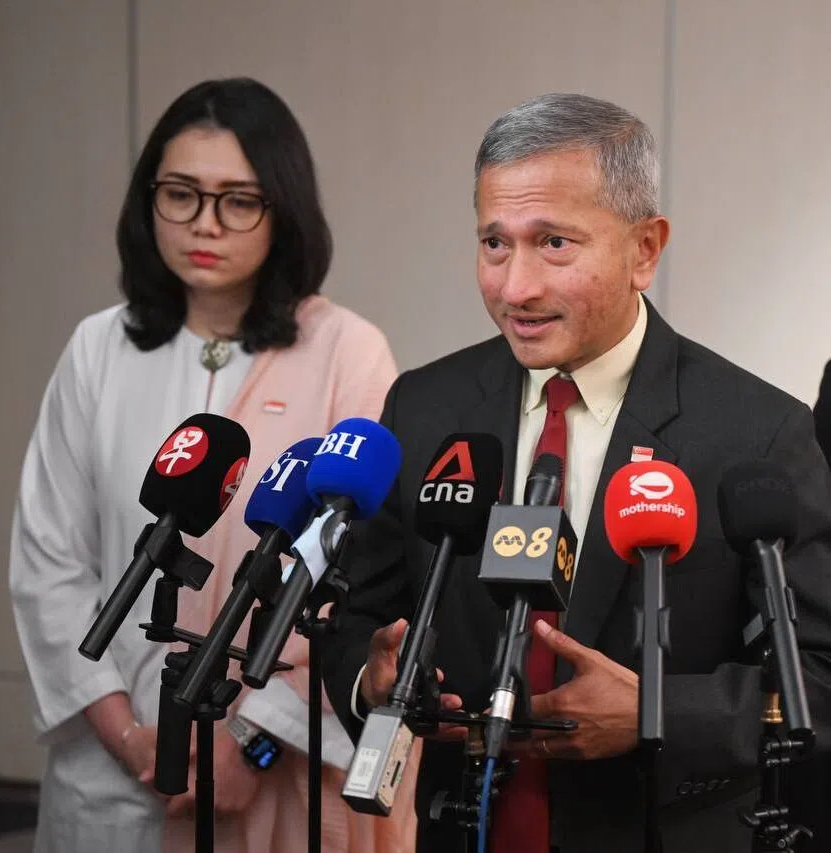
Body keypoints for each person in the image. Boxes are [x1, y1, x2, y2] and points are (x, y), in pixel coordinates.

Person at [322, 93, 831, 853]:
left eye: (553, 243)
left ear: (644, 249)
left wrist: (654, 712)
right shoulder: (426, 406)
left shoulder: (758, 432)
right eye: (494, 244)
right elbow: (357, 619)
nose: (514, 287)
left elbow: (818, 678)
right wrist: (374, 677)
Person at [9, 77, 417, 853]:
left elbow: (356, 578)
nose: (205, 223)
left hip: (273, 771)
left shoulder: (346, 352)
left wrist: (254, 742)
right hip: (111, 771)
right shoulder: (99, 346)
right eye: (181, 194)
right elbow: (47, 564)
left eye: (238, 199)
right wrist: (130, 736)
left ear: (283, 207)